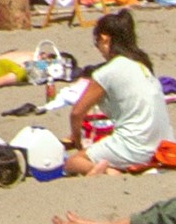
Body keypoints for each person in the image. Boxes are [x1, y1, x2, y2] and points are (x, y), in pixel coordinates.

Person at [63, 13, 171, 175]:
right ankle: (114, 168)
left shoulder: (108, 71)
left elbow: (77, 113)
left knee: (73, 162)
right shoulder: (143, 65)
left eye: (96, 42)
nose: (98, 48)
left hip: (138, 147)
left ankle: (111, 173)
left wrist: (77, 141)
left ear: (105, 39)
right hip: (165, 146)